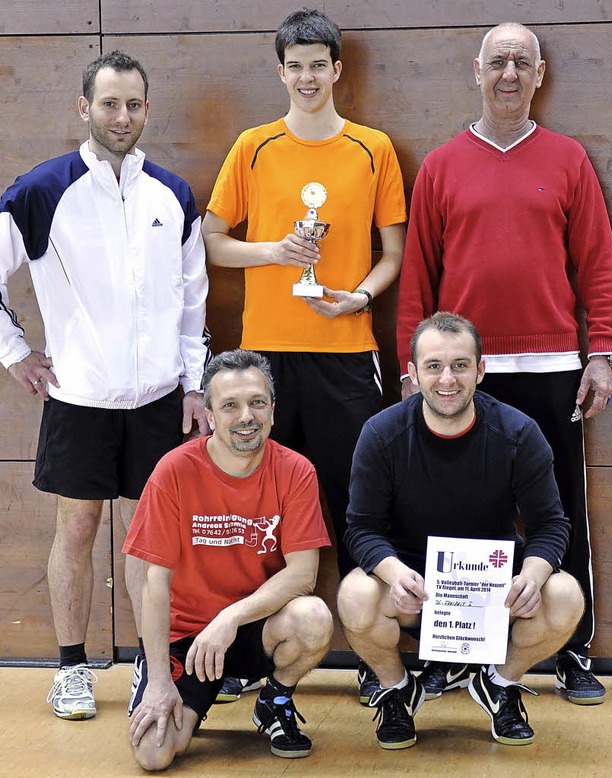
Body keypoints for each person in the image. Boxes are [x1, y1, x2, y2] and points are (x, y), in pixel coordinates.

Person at [396, 22, 612, 705]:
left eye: (523, 62)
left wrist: (602, 351)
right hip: (457, 377)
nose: (510, 73)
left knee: (561, 514)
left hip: (553, 367)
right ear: (477, 70)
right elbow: (417, 278)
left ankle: (571, 652)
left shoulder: (568, 160)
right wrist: (413, 369)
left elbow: (598, 264)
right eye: (499, 61)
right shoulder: (440, 165)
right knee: (451, 511)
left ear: (541, 74)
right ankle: (444, 654)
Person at [0, 50, 210, 720]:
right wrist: (13, 353)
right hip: (80, 399)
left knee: (155, 540)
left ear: (147, 109)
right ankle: (71, 669)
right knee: (78, 527)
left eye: (135, 105)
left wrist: (195, 385)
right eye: (110, 104)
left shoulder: (172, 194)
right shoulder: (40, 191)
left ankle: (154, 665)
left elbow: (193, 302)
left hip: (158, 400)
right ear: (83, 108)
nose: (124, 117)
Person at [202, 8, 406, 700]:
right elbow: (213, 239)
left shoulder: (372, 149)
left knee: (358, 509)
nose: (309, 76)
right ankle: (246, 657)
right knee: (257, 510)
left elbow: (393, 255)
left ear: (337, 70)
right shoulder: (253, 146)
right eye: (296, 65)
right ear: (280, 70)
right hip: (264, 361)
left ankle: (377, 666)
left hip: (346, 353)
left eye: (320, 64)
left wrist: (358, 299)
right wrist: (275, 253)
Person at [338, 313, 584, 749]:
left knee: (565, 596)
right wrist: (393, 575)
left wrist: (533, 576)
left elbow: (551, 525)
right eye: (433, 366)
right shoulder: (381, 433)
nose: (446, 379)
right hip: (414, 588)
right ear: (412, 374)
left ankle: (500, 684)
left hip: (495, 589)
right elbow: (361, 529)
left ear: (480, 370)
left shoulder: (519, 433)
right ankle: (397, 691)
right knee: (355, 595)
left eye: (460, 365)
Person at [123, 349, 333, 770]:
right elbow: (153, 582)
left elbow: (304, 575)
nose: (246, 416)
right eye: (230, 405)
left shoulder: (296, 471)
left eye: (257, 402)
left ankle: (273, 701)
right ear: (210, 415)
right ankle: (152, 678)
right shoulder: (174, 471)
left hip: (253, 628)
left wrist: (230, 618)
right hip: (187, 636)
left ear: (273, 409)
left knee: (313, 617)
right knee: (154, 755)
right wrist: (160, 678)